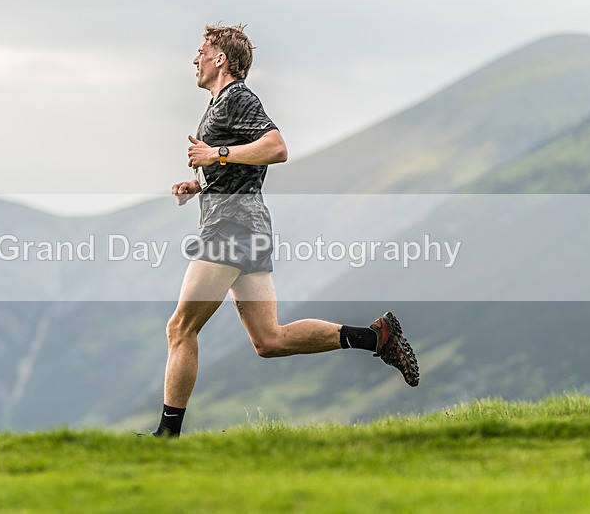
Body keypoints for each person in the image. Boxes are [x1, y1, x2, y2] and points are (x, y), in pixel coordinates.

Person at [153, 24, 419, 438]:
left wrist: (216, 153)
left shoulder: (238, 97)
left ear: (220, 58)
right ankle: (376, 337)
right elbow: (243, 168)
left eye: (201, 50)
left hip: (231, 229)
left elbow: (276, 148)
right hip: (249, 225)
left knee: (180, 328)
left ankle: (166, 438)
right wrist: (201, 183)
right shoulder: (219, 104)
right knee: (269, 340)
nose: (195, 58)